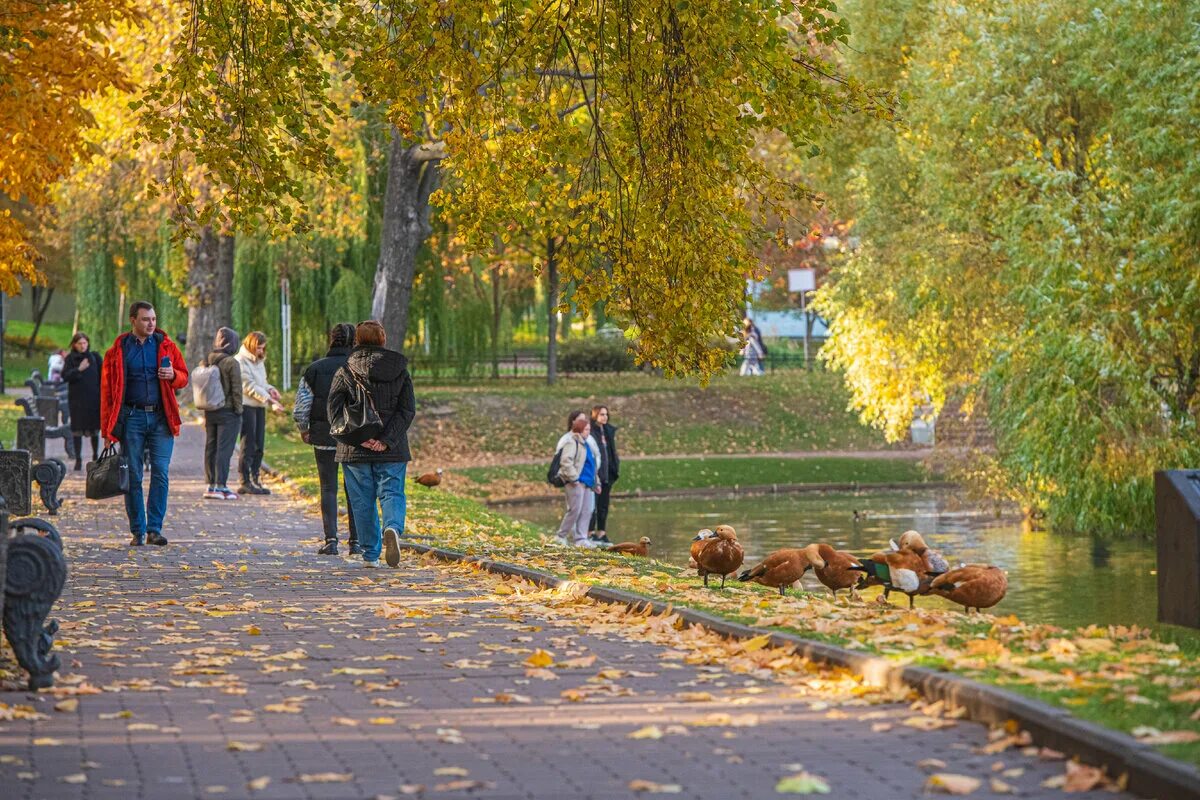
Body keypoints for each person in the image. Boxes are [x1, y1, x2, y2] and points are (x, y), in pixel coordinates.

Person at [99, 301, 189, 546]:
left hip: (161, 418)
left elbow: (184, 377)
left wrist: (173, 376)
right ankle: (137, 530)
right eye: (145, 319)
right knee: (134, 474)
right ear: (133, 320)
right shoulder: (117, 351)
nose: (151, 324)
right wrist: (107, 429)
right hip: (132, 418)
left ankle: (154, 529)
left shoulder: (166, 346)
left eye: (154, 319)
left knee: (160, 471)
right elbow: (107, 393)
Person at [328, 321, 415, 568]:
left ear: (357, 340)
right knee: (392, 492)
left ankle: (370, 555)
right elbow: (407, 410)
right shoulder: (400, 369)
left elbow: (333, 412)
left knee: (362, 501)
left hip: (355, 450)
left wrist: (360, 438)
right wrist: (386, 441)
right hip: (393, 449)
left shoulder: (345, 369)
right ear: (383, 339)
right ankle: (393, 528)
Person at [294, 323, 360, 556]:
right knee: (355, 489)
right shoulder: (358, 367)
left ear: (331, 340)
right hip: (354, 437)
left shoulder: (314, 369)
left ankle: (331, 540)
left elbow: (302, 406)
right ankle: (356, 542)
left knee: (328, 488)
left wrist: (304, 428)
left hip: (324, 435)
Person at [235, 330, 283, 496]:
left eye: (263, 348)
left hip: (259, 406)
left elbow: (261, 383)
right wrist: (270, 400)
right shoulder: (240, 361)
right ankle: (245, 480)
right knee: (248, 444)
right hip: (247, 406)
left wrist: (271, 390)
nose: (261, 352)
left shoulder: (259, 362)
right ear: (251, 346)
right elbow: (248, 386)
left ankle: (255, 478)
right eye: (258, 348)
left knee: (259, 444)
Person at [201, 327, 243, 500]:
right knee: (224, 449)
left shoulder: (208, 359)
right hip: (228, 411)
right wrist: (239, 410)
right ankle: (221, 485)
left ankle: (211, 485)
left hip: (210, 410)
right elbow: (236, 390)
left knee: (211, 447)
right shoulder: (231, 363)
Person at [553, 410, 602, 548]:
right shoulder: (572, 442)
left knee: (588, 510)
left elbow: (591, 465)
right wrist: (574, 478)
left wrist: (596, 482)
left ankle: (581, 539)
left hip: (588, 483)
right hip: (576, 483)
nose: (588, 432)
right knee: (575, 510)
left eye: (589, 430)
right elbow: (566, 462)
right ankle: (560, 536)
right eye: (586, 430)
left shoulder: (587, 445)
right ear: (579, 430)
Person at [61, 332, 102, 471]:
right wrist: (79, 369)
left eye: (85, 343)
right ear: (74, 345)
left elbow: (103, 377)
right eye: (80, 343)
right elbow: (65, 376)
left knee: (94, 430)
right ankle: (78, 459)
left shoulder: (94, 357)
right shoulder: (70, 359)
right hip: (77, 401)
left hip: (93, 400)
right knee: (77, 430)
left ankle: (96, 457)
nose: (83, 346)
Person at [587, 404, 620, 544]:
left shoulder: (608, 431)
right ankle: (590, 532)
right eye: (601, 414)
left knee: (604, 505)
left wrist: (615, 467)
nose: (605, 417)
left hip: (608, 474)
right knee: (592, 506)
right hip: (596, 474)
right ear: (595, 415)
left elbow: (611, 452)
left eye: (606, 414)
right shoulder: (590, 432)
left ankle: (601, 532)